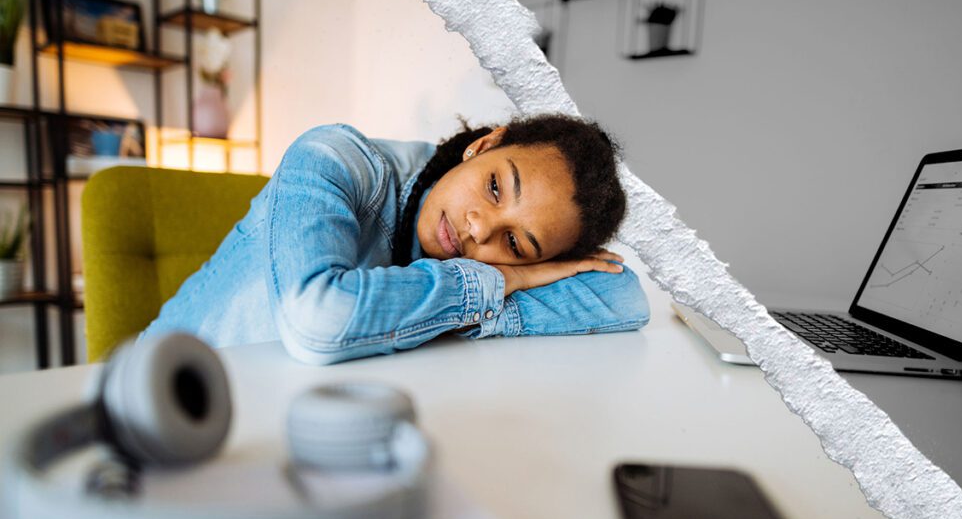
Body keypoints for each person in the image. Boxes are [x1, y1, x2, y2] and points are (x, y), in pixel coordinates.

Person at [143, 114, 650, 364]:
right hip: (154, 402)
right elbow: (317, 321)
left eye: (516, 243)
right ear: (484, 144)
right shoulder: (335, 158)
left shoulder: (475, 230)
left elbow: (624, 296)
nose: (480, 228)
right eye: (496, 187)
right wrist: (498, 277)